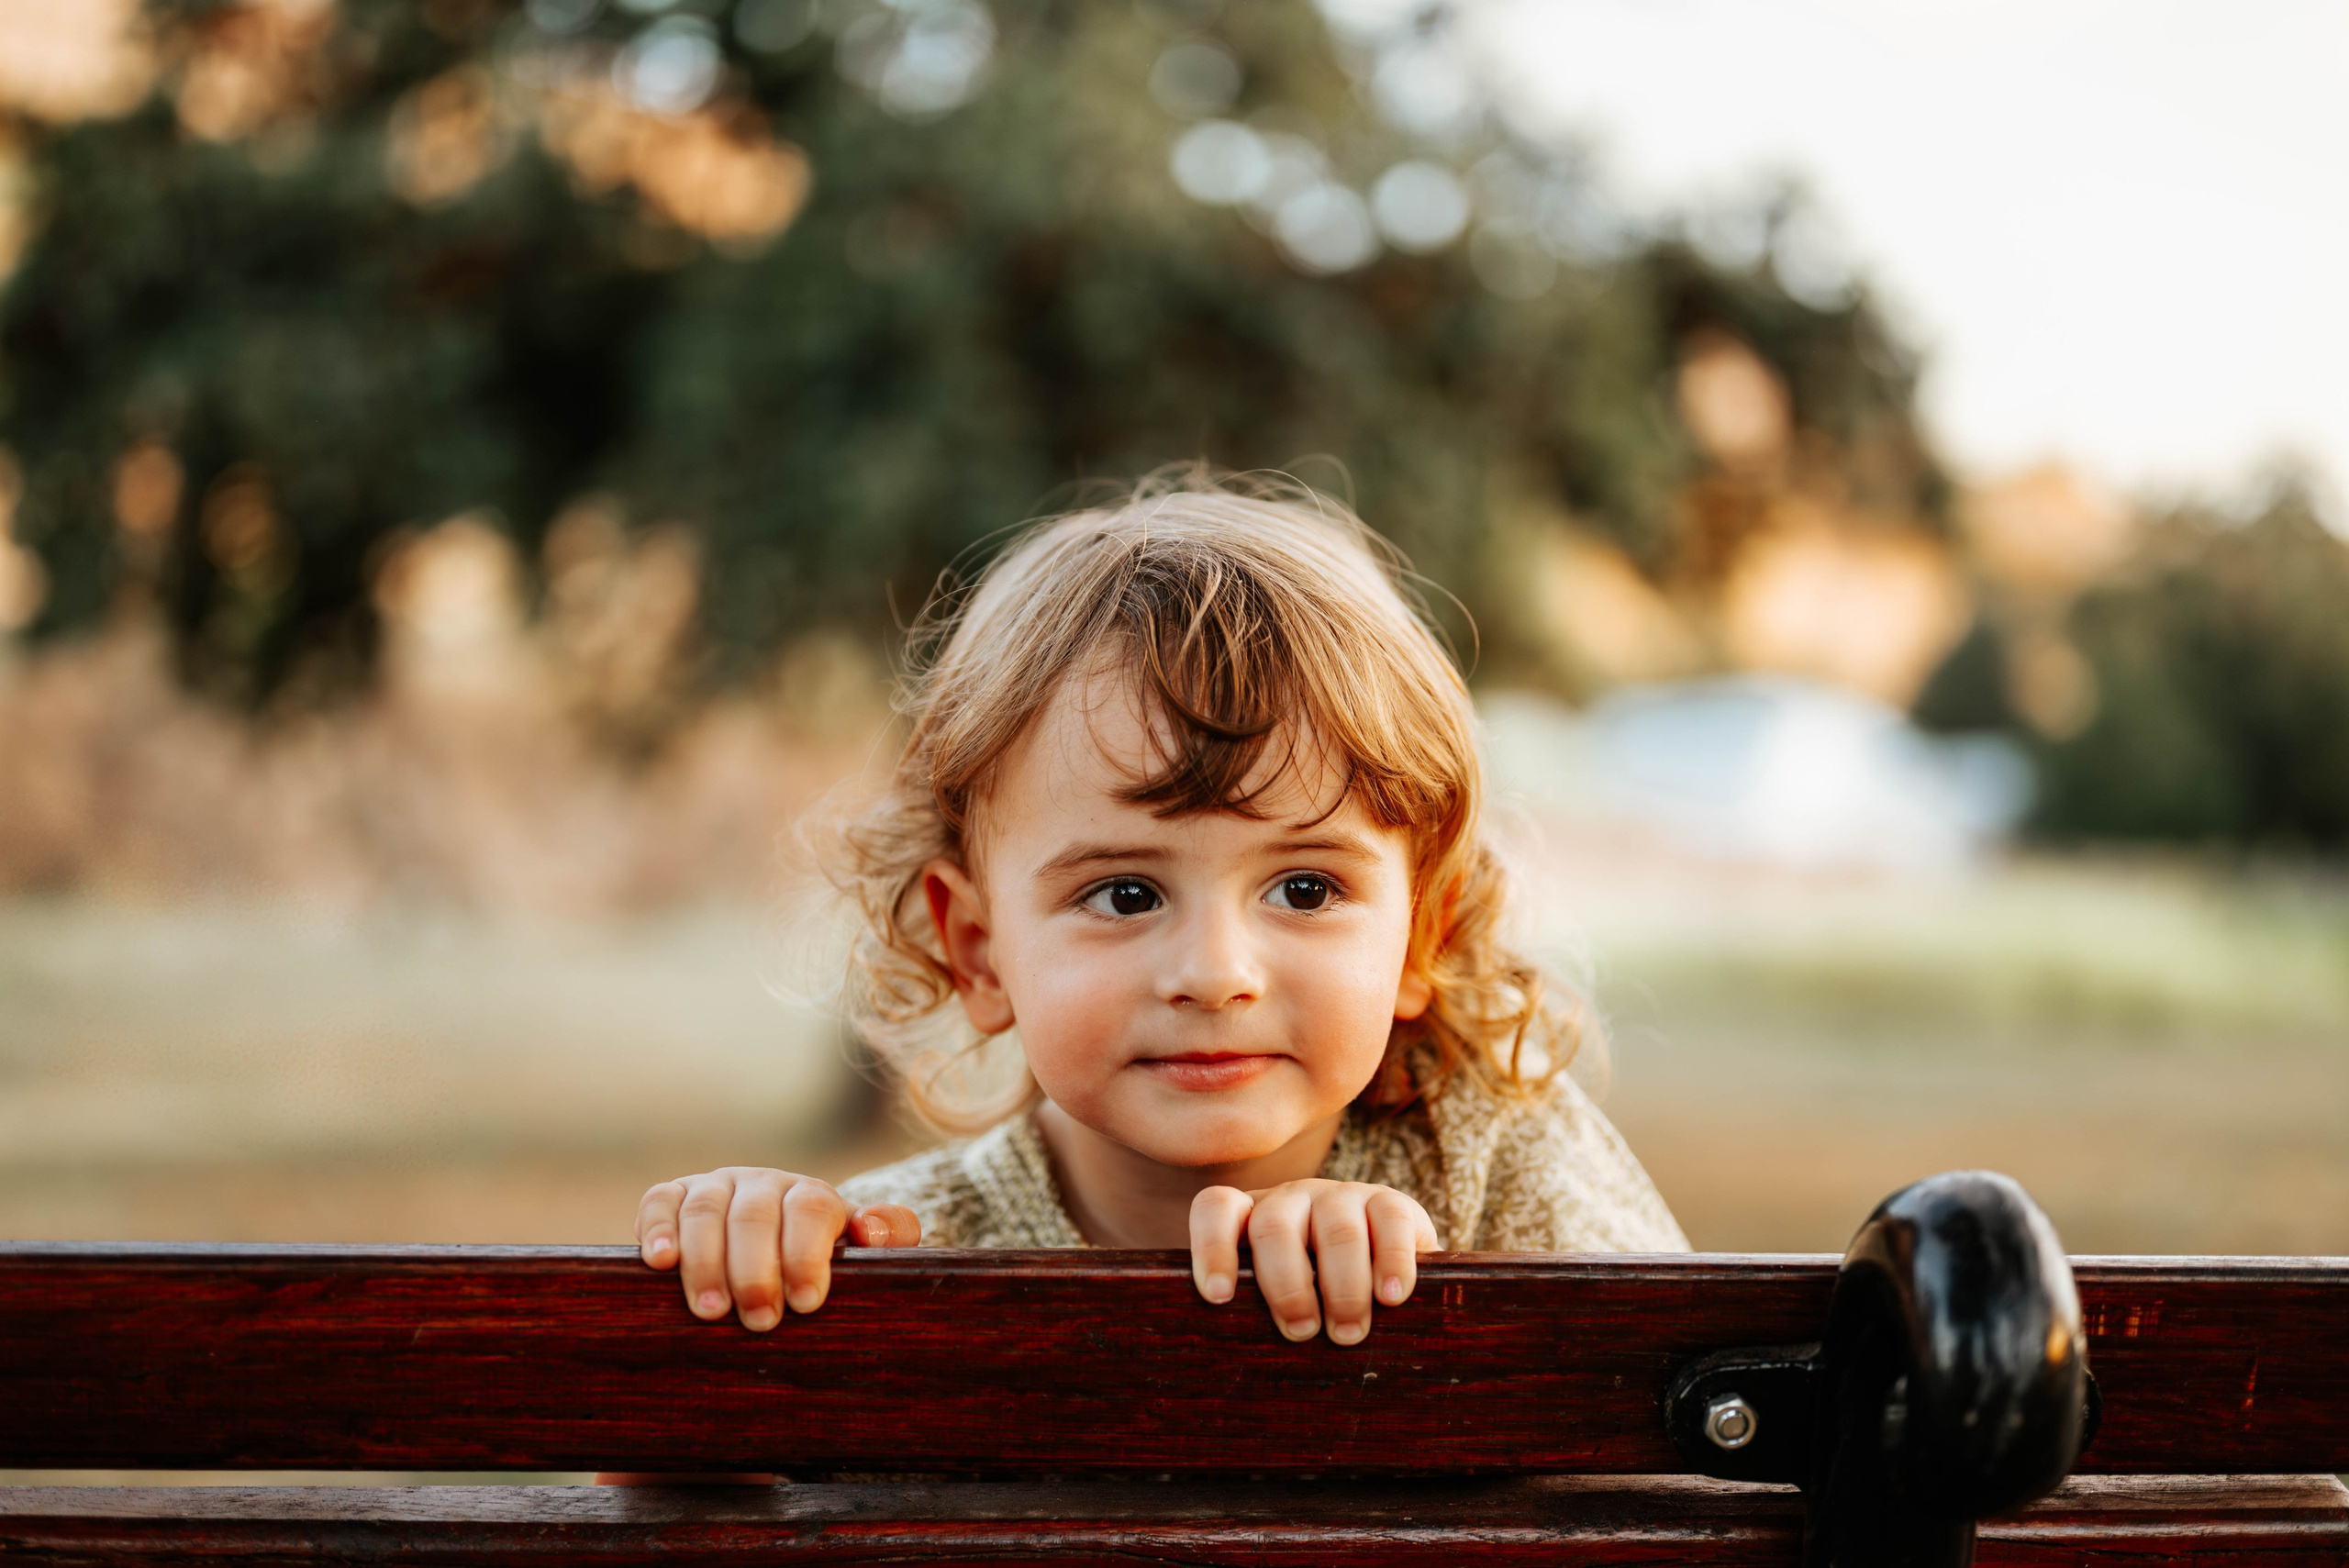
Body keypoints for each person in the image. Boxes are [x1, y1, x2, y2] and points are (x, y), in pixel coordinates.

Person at [633, 471, 1686, 1349]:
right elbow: (685, 1510)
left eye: (1306, 888)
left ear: (1421, 934)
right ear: (980, 951)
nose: (1216, 971)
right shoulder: (895, 1250)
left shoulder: (1495, 1171)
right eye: (1125, 893)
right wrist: (720, 1327)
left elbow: (1692, 1459)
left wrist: (1429, 1298)